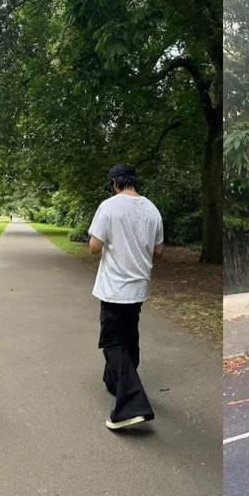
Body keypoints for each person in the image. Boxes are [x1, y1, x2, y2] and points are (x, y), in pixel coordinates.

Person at [87, 164, 164, 430]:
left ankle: (132, 407)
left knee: (112, 342)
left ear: (114, 183)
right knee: (129, 336)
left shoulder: (109, 207)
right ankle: (114, 382)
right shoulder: (152, 209)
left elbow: (94, 247)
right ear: (132, 182)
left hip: (114, 288)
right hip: (138, 287)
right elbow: (160, 250)